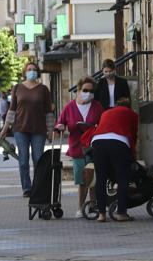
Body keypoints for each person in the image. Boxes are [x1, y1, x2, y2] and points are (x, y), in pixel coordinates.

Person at [0, 62, 54, 198]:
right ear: (25, 72)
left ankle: (38, 186)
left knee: (38, 159)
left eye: (34, 69)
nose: (31, 71)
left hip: (39, 130)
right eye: (29, 69)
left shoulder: (43, 89)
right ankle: (27, 188)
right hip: (20, 129)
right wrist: (5, 128)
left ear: (37, 72)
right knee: (23, 160)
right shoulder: (17, 88)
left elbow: (48, 112)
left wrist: (50, 130)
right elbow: (11, 110)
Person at [80, 97, 138, 222]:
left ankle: (101, 214)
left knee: (101, 178)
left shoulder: (106, 113)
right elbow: (133, 136)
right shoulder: (132, 114)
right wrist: (133, 155)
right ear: (129, 106)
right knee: (122, 178)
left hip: (98, 142)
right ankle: (121, 213)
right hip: (119, 142)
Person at [55, 77, 104, 218]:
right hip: (77, 148)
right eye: (85, 90)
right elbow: (60, 123)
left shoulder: (97, 106)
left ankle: (93, 205)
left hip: (93, 146)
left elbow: (103, 123)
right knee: (82, 179)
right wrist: (60, 127)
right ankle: (80, 207)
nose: (88, 93)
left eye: (91, 91)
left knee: (93, 177)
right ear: (79, 90)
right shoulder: (70, 107)